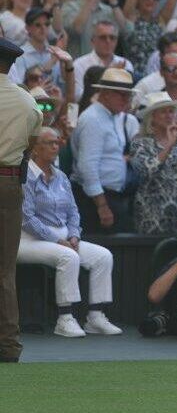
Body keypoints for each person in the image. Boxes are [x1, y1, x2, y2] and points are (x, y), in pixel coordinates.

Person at [18, 127, 120, 338]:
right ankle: (65, 318)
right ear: (35, 148)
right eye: (49, 143)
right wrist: (58, 240)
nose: (55, 147)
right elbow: (26, 218)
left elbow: (73, 211)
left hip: (64, 238)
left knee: (103, 256)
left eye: (57, 142)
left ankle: (96, 316)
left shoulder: (62, 176)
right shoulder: (25, 175)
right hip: (27, 240)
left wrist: (74, 235)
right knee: (68, 256)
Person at [0, 37, 43, 361]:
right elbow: (30, 147)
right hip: (9, 182)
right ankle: (10, 345)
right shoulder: (28, 102)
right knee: (5, 271)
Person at [70, 67, 138, 234]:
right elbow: (88, 166)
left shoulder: (111, 116)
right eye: (122, 94)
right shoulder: (93, 119)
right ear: (106, 93)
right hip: (95, 199)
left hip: (110, 195)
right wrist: (102, 206)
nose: (126, 99)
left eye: (128, 94)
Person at [129, 92, 177, 236]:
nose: (169, 116)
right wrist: (169, 144)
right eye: (163, 112)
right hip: (152, 215)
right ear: (152, 118)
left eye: (171, 111)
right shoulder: (140, 143)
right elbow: (146, 172)